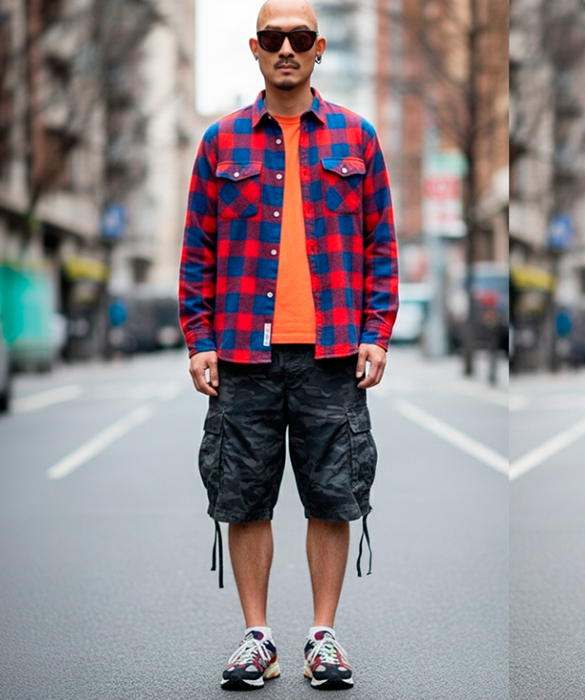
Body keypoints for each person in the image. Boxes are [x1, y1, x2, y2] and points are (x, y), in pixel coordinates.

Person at [178, 0, 398, 690]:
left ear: (319, 47)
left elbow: (380, 247)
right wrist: (198, 339)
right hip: (243, 352)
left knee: (333, 497)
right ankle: (257, 638)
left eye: (299, 37)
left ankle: (323, 637)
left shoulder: (358, 139)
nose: (285, 48)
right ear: (254, 47)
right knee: (244, 497)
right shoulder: (221, 142)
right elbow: (197, 252)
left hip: (332, 352)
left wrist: (377, 334)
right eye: (272, 37)